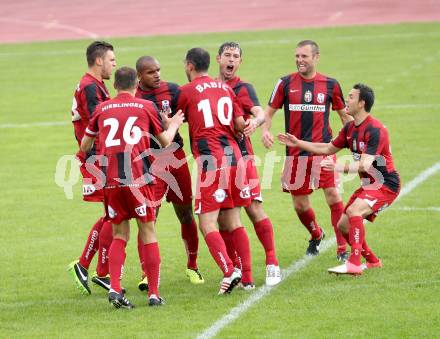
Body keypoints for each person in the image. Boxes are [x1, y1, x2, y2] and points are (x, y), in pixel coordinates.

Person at [81, 66, 184, 308]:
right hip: (139, 179)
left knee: (120, 234)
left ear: (115, 86)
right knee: (148, 233)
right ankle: (154, 294)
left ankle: (115, 289)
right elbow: (166, 141)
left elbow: (86, 144)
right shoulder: (146, 107)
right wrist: (175, 123)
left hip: (112, 180)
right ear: (136, 85)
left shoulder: (102, 108)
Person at [278, 83, 400, 274]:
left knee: (354, 212)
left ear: (362, 103)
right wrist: (297, 142)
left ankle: (353, 263)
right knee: (343, 225)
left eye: (351, 97)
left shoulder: (376, 130)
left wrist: (336, 167)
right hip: (369, 184)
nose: (346, 100)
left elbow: (365, 165)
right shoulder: (350, 128)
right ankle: (373, 261)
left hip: (386, 185)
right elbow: (327, 148)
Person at [261, 40, 352, 261]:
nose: (300, 60)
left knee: (333, 195)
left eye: (304, 56)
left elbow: (344, 116)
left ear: (316, 57)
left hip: (323, 150)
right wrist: (265, 130)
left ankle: (342, 249)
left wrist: (358, 135)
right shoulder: (284, 83)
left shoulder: (331, 85)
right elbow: (270, 112)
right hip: (296, 154)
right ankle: (316, 233)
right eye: (297, 56)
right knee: (300, 205)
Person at [176, 47, 256, 294]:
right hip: (235, 159)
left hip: (211, 162)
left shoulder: (186, 91)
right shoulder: (226, 88)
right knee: (234, 220)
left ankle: (229, 270)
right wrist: (251, 123)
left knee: (207, 223)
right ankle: (248, 279)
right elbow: (240, 125)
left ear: (189, 65)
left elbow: (174, 119)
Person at [135, 56, 203, 290]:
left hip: (175, 157)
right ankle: (146, 273)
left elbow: (190, 112)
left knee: (185, 213)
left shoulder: (173, 91)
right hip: (149, 162)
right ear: (139, 76)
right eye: (151, 72)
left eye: (158, 70)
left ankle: (192, 266)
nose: (157, 75)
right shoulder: (135, 98)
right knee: (148, 218)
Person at [216, 42, 281, 287]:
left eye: (235, 56)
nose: (231, 60)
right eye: (227, 55)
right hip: (216, 162)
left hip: (242, 158)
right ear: (218, 59)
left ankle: (272, 262)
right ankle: (240, 272)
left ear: (240, 62)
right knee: (223, 217)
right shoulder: (209, 87)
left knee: (253, 209)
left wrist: (256, 121)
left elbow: (259, 111)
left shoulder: (243, 88)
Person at [67, 41, 117, 295]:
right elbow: (100, 123)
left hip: (99, 157)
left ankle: (93, 269)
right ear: (99, 61)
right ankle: (96, 270)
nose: (114, 64)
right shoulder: (89, 87)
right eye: (111, 60)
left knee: (113, 214)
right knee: (113, 215)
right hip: (97, 158)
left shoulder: (94, 85)